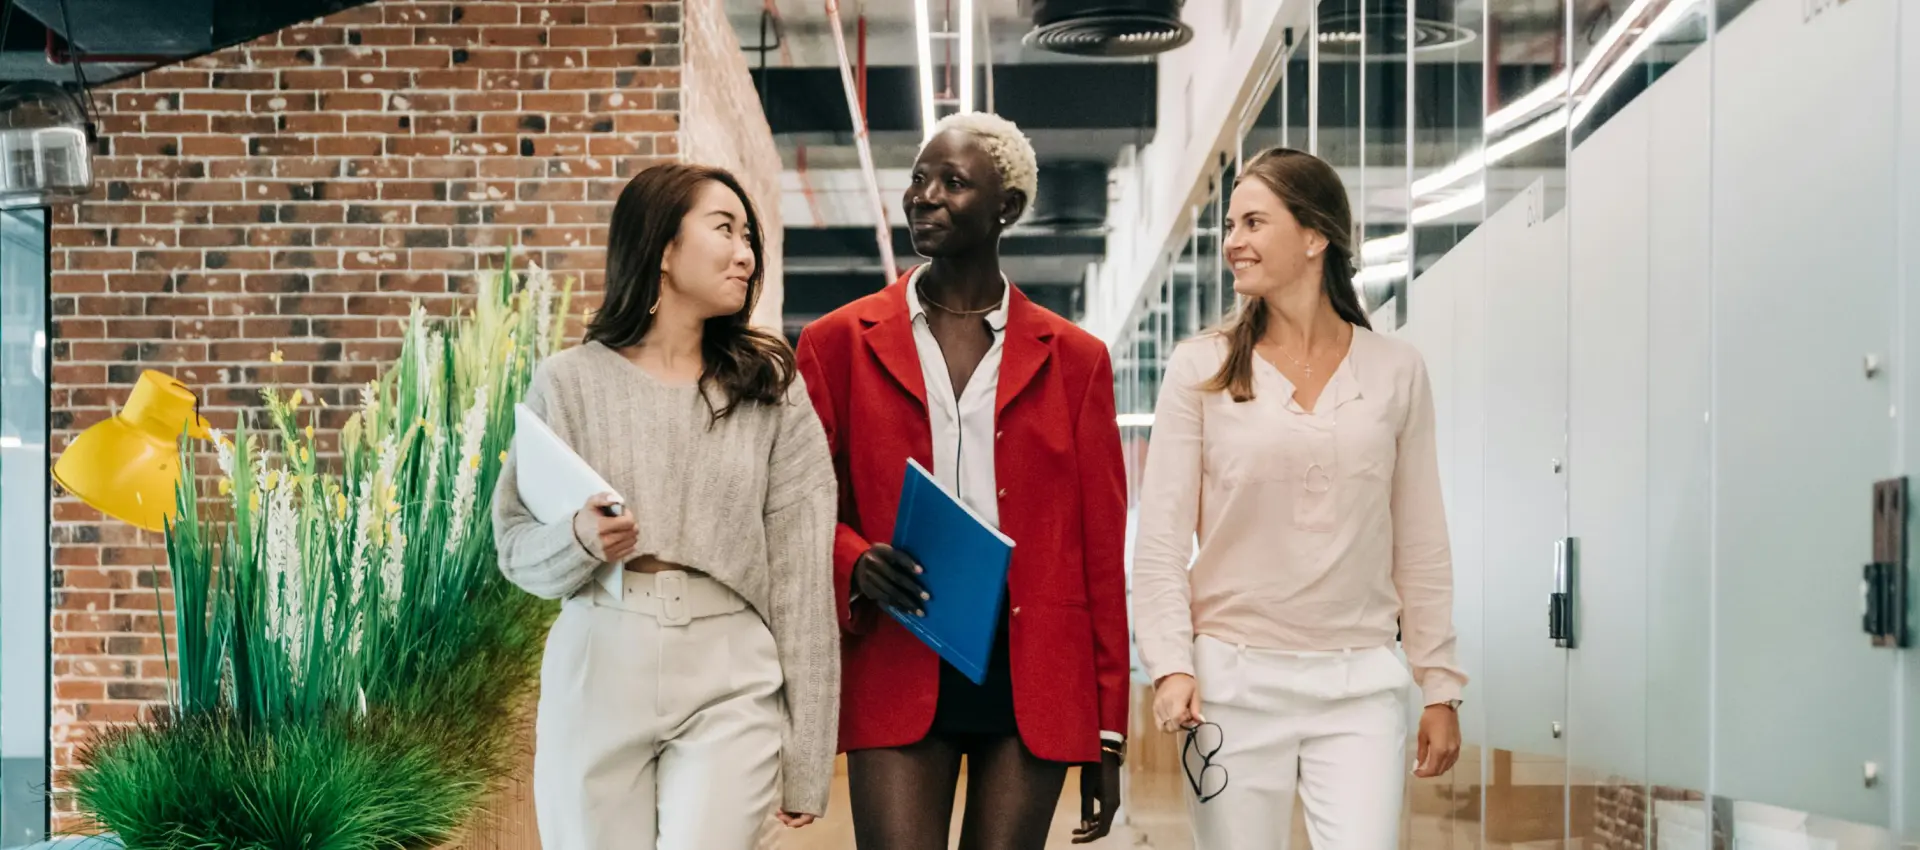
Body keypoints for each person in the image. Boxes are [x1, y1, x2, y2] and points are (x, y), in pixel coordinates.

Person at [794, 111, 1129, 849]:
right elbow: (798, 503)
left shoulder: (1077, 361)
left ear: (1006, 206)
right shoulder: (835, 343)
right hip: (900, 644)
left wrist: (1108, 729)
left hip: (1030, 666)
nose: (925, 195)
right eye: (919, 178)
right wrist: (852, 558)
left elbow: (1101, 553)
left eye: (953, 182)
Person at [491, 163, 840, 850]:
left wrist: (808, 754)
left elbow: (802, 581)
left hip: (731, 670)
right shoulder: (569, 383)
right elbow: (514, 548)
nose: (746, 254)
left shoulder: (771, 389)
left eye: (749, 237)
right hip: (599, 661)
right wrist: (578, 539)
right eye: (725, 230)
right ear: (663, 248)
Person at [1129, 147, 1468, 850]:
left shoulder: (1396, 370)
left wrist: (1439, 684)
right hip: (1231, 685)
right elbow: (1160, 539)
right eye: (1230, 225)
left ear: (1315, 237)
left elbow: (1420, 540)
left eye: (1253, 223)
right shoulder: (1201, 368)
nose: (1233, 241)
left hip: (1360, 685)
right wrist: (1171, 664)